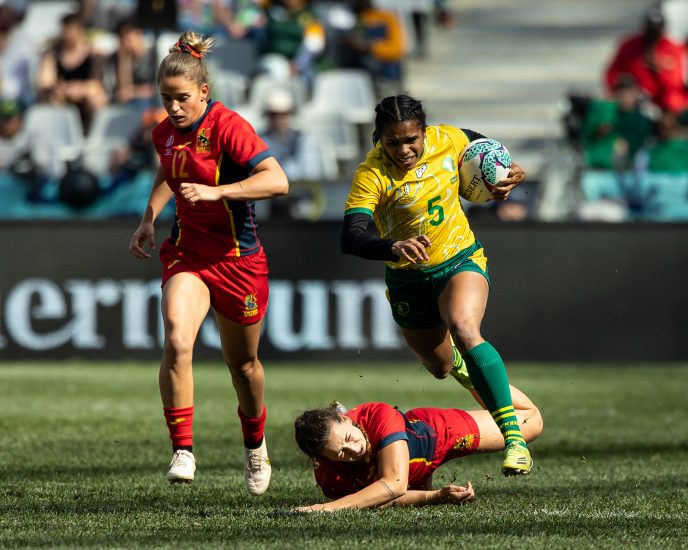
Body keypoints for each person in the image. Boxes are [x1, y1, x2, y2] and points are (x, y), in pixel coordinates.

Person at [128, 31, 289, 495]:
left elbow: (277, 181)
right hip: (188, 254)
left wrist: (219, 191)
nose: (173, 108)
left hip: (238, 261)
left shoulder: (229, 127)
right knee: (178, 340)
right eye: (165, 99)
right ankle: (183, 449)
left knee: (244, 366)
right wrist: (149, 218)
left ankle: (255, 443)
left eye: (181, 98)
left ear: (204, 91)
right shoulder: (165, 133)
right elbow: (168, 169)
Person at [340, 94, 533, 476]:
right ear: (379, 138)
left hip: (459, 259)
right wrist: (392, 246)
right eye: (393, 142)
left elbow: (486, 150)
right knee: (440, 366)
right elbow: (351, 236)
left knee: (465, 328)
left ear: (424, 132)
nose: (404, 149)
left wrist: (505, 176)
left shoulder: (450, 139)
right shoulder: (372, 174)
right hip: (408, 280)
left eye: (411, 139)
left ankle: (514, 440)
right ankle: (464, 365)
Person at [293, 371, 543, 511]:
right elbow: (380, 499)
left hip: (437, 434)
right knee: (415, 493)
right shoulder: (329, 477)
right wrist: (436, 496)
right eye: (340, 454)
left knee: (532, 421)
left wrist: (325, 509)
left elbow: (394, 484)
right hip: (412, 473)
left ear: (344, 418)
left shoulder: (376, 414)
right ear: (322, 460)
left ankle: (471, 374)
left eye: (348, 438)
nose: (353, 449)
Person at [605, 5, 688, 114]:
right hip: (635, 101)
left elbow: (676, 84)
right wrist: (624, 87)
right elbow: (612, 74)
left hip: (666, 104)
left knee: (672, 102)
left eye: (656, 31)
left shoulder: (674, 49)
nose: (653, 36)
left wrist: (658, 70)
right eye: (650, 30)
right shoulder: (629, 46)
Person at [36, 12, 108, 132]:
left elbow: (97, 84)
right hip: (61, 95)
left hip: (84, 96)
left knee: (96, 99)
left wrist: (79, 89)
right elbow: (45, 82)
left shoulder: (93, 53)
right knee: (52, 99)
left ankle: (94, 134)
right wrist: (62, 89)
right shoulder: (52, 52)